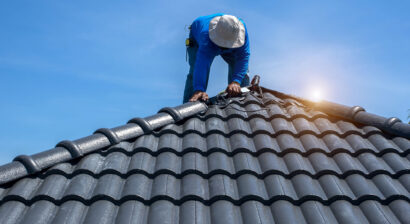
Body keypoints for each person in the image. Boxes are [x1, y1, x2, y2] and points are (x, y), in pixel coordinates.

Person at [183, 13, 250, 103]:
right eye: (223, 44)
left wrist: (236, 81)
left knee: (241, 72)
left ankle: (241, 101)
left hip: (232, 45)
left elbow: (243, 57)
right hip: (202, 41)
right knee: (194, 72)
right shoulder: (206, 37)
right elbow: (202, 64)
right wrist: (199, 89)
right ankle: (189, 105)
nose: (224, 47)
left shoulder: (241, 32)